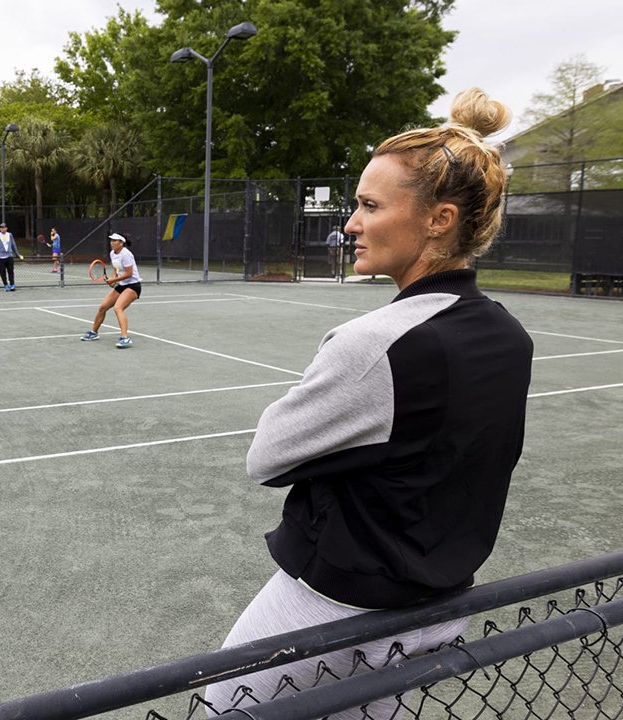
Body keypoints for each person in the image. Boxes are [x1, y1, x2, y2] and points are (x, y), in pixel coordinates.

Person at [203, 88, 534, 718]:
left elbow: (268, 457)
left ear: (438, 219)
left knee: (226, 708)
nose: (351, 222)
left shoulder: (376, 343)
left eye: (368, 205)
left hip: (333, 605)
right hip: (437, 609)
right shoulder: (509, 337)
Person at [79, 232, 141, 349]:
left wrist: (115, 279)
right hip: (122, 285)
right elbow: (117, 269)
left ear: (121, 243)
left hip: (133, 285)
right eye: (111, 240)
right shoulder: (113, 253)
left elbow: (129, 274)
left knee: (118, 308)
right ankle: (93, 333)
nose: (112, 242)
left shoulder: (126, 254)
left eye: (115, 240)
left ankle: (125, 338)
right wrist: (114, 280)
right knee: (103, 307)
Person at [0, 222, 23, 291]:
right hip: (0, 258)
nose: (2, 229)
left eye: (4, 227)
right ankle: (6, 285)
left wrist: (18, 254)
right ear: (0, 229)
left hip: (9, 257)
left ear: (6, 228)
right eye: (1, 228)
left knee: (11, 271)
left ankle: (12, 285)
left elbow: (13, 245)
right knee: (2, 272)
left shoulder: (10, 235)